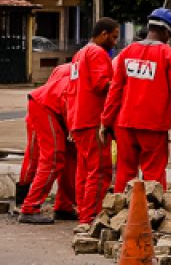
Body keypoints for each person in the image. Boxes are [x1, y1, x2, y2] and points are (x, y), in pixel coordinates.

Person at [100, 8, 171, 192]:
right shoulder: (170, 56)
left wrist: (105, 121)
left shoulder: (127, 52)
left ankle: (122, 215)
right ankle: (152, 215)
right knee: (154, 176)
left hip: (125, 125)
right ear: (167, 32)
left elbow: (115, 91)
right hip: (153, 127)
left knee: (125, 174)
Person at [68, 17, 120, 224]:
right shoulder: (98, 53)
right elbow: (102, 84)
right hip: (92, 120)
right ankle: (91, 217)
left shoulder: (79, 54)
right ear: (104, 34)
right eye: (114, 37)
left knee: (84, 171)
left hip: (78, 119)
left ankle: (83, 212)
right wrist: (122, 83)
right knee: (99, 171)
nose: (116, 42)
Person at [18, 62, 77, 223]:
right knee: (53, 158)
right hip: (45, 107)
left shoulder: (72, 71)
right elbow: (65, 101)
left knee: (70, 157)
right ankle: (29, 207)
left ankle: (64, 206)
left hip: (52, 107)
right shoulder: (76, 76)